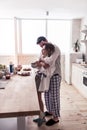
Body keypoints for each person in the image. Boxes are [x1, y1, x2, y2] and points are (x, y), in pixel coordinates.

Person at [33, 36, 61, 126]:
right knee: (47, 95)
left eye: (42, 45)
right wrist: (40, 62)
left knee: (54, 97)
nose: (42, 48)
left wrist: (41, 61)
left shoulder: (55, 48)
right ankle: (50, 111)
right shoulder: (44, 49)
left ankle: (56, 118)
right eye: (41, 47)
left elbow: (49, 62)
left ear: (45, 41)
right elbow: (41, 60)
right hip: (47, 76)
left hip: (55, 75)